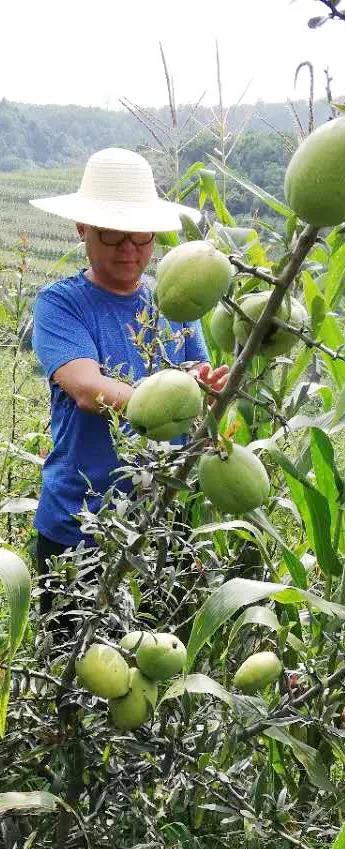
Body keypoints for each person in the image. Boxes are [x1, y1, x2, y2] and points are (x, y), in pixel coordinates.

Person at [29, 148, 230, 604]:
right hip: (79, 524)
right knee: (70, 663)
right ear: (82, 228)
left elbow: (198, 382)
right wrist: (179, 397)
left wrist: (211, 394)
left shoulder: (176, 302)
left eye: (141, 239)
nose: (129, 251)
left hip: (161, 520)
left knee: (157, 661)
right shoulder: (61, 304)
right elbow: (85, 388)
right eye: (113, 236)